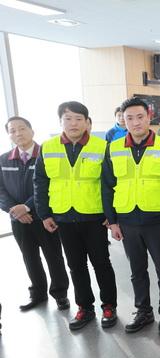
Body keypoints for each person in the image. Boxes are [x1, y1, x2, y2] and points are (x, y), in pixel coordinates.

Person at [102, 97, 160, 335]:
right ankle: (143, 311)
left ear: (149, 117)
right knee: (136, 270)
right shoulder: (113, 148)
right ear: (123, 120)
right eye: (129, 118)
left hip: (157, 221)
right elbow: (107, 186)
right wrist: (112, 221)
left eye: (140, 117)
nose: (136, 122)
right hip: (127, 220)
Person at [34, 101, 118, 330]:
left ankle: (109, 306)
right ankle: (85, 308)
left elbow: (111, 183)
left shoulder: (102, 146)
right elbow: (40, 182)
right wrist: (44, 214)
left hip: (94, 216)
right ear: (60, 121)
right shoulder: (48, 147)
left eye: (78, 119)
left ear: (87, 122)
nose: (73, 123)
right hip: (63, 217)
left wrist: (111, 214)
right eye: (68, 119)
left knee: (101, 263)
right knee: (75, 265)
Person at [0, 116, 69, 311]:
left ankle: (60, 294)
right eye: (13, 130)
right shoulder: (4, 159)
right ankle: (38, 294)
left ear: (32, 130)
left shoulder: (46, 155)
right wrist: (16, 211)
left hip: (44, 217)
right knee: (29, 257)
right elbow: (1, 190)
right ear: (9, 135)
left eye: (22, 128)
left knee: (53, 257)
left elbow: (51, 186)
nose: (18, 133)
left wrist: (27, 207)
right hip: (18, 220)